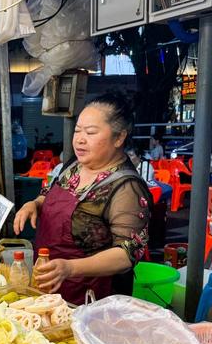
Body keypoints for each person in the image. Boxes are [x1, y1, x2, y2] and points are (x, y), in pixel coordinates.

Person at [13, 93, 151, 305]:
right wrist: (34, 204)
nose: (80, 139)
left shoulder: (126, 187)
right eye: (78, 130)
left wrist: (70, 268)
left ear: (119, 137)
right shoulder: (74, 166)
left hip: (92, 299)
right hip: (49, 285)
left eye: (91, 132)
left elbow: (126, 255)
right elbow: (49, 192)